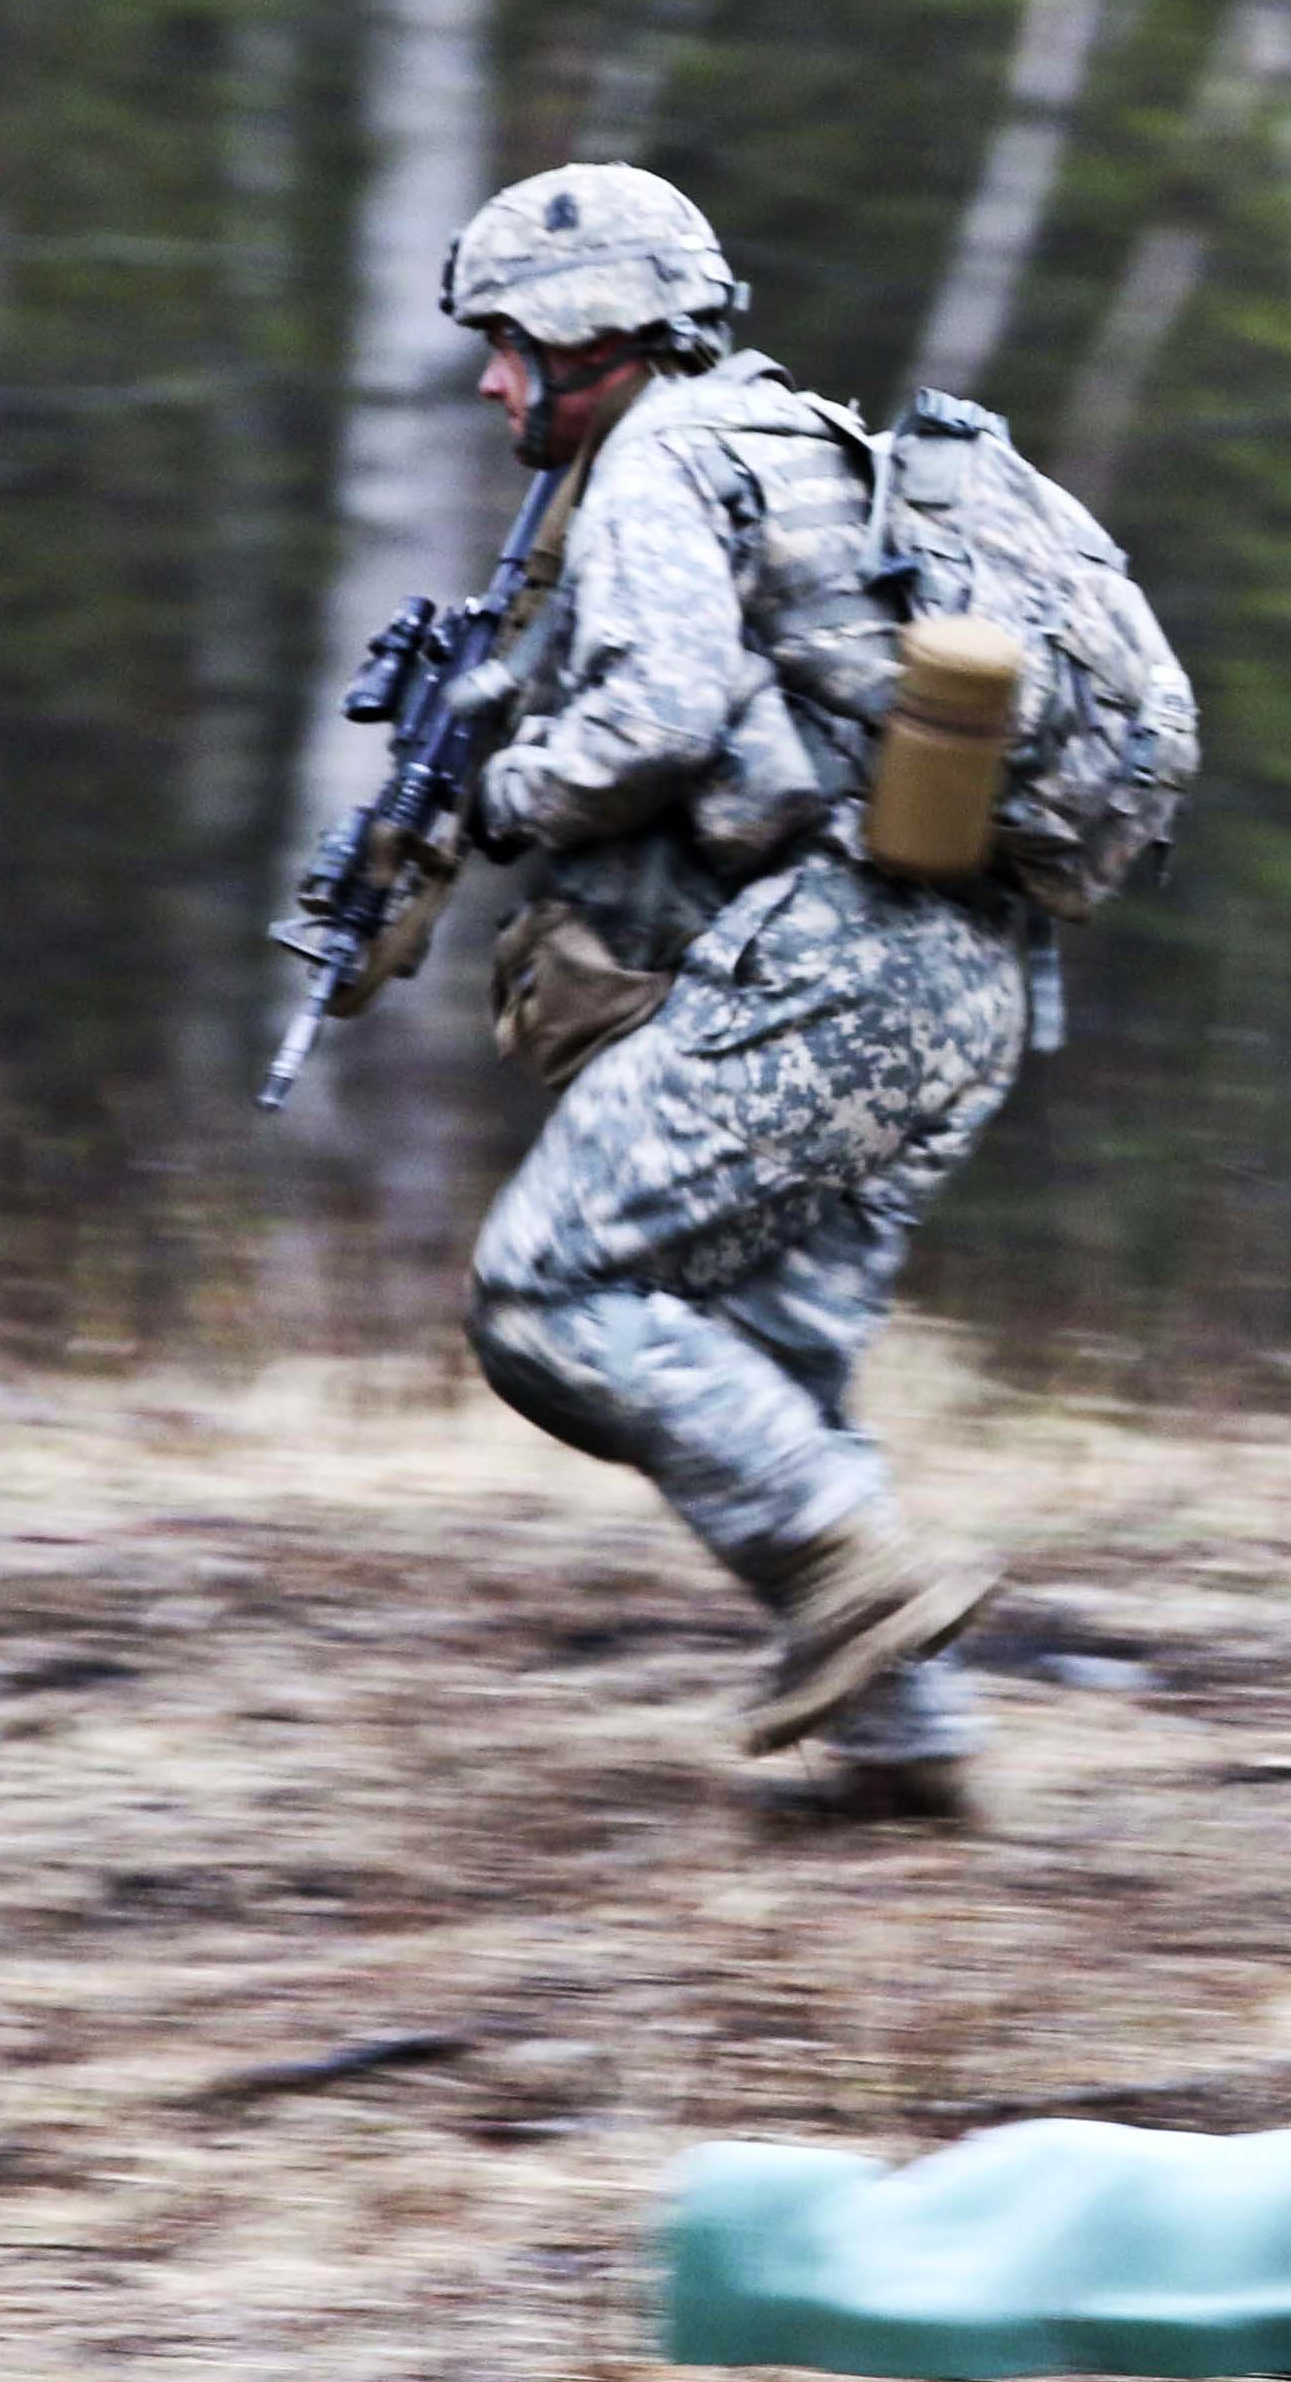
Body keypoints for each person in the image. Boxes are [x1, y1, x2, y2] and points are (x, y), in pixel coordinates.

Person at [440, 161, 1195, 1818]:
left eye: (507, 342)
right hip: (973, 975)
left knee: (548, 1290)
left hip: (847, 963)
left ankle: (850, 1572)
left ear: (596, 336)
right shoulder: (796, 440)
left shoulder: (661, 460)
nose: (493, 380)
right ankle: (905, 1755)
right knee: (766, 1360)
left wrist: (502, 791)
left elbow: (654, 718)